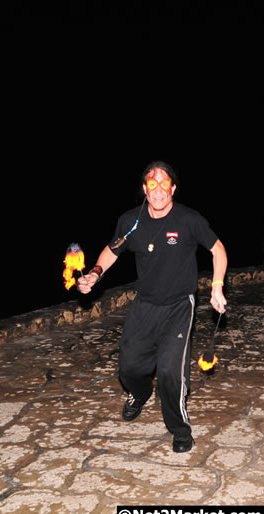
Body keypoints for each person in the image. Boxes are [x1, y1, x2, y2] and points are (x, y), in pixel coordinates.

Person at [77, 161, 227, 453]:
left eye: (164, 184)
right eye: (152, 184)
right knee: (128, 368)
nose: (158, 191)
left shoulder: (189, 219)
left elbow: (218, 249)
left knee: (171, 373)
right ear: (145, 189)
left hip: (179, 306)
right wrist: (95, 274)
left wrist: (217, 285)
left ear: (173, 188)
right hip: (144, 305)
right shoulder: (130, 221)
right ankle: (140, 392)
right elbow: (112, 250)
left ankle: (180, 429)